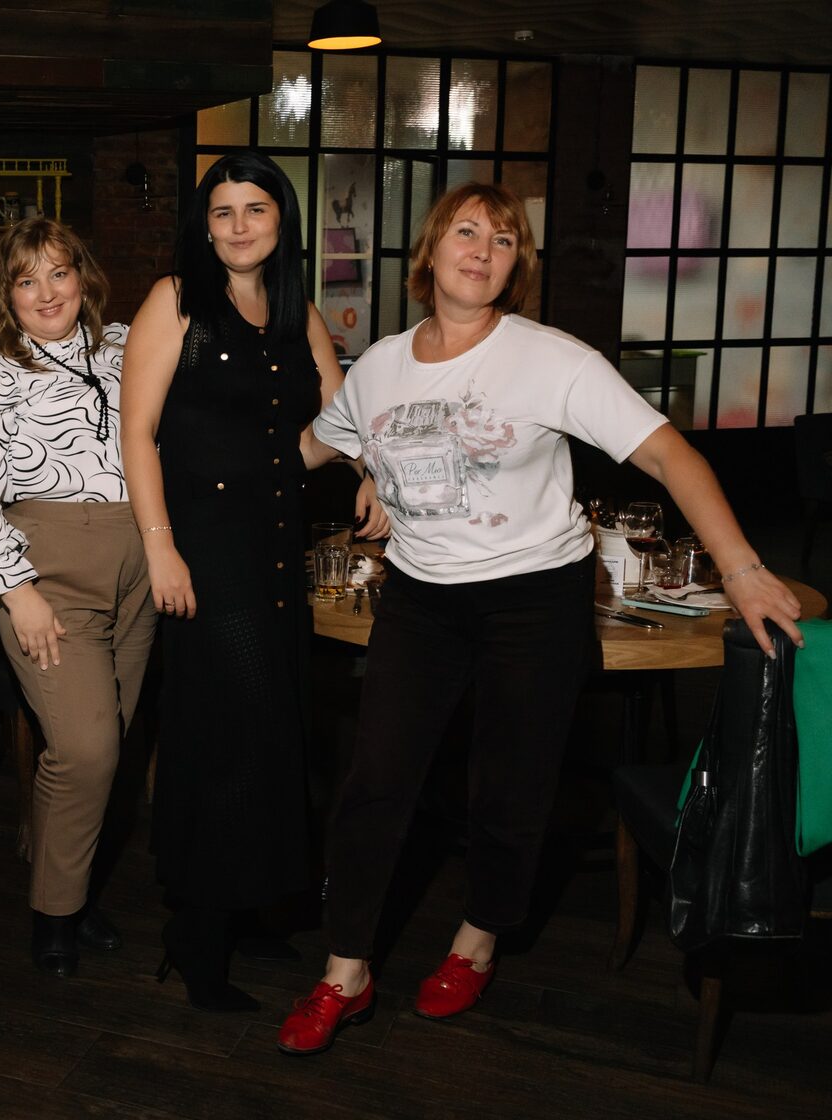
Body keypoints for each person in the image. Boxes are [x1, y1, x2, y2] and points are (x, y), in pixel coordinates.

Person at [278, 181, 804, 1055]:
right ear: (431, 250)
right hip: (421, 597)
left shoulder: (554, 360)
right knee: (375, 784)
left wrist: (743, 569)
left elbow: (669, 455)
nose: (483, 251)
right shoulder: (379, 367)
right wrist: (209, 467)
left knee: (510, 783)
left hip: (532, 598)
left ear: (515, 266)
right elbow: (312, 446)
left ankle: (477, 941)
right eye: (467, 232)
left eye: (504, 241)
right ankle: (346, 972)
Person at [121, 151, 384, 1012]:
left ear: (282, 221)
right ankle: (197, 935)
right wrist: (160, 547)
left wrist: (371, 473)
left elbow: (334, 426)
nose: (239, 226)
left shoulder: (298, 312)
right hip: (204, 548)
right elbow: (138, 434)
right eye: (223, 211)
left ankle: (250, 906)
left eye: (255, 209)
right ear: (204, 225)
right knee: (223, 738)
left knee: (276, 729)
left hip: (276, 544)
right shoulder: (176, 300)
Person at [0, 218, 154, 977]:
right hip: (48, 574)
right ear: (6, 297)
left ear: (83, 277)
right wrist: (15, 591)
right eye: (25, 281)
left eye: (58, 273)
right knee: (86, 748)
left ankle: (66, 875)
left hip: (142, 569)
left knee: (110, 741)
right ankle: (56, 913)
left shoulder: (128, 348)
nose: (45, 293)